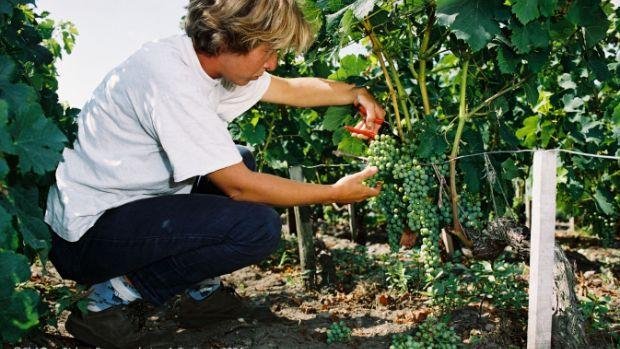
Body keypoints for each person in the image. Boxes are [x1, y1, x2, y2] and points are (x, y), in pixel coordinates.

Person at [45, 0, 385, 347]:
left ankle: (198, 295)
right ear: (226, 40)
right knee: (258, 227)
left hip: (129, 213)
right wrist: (334, 193)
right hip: (87, 238)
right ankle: (107, 303)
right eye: (267, 51)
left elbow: (290, 89)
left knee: (241, 157)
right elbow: (240, 188)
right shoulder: (169, 79)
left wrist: (355, 93)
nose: (272, 63)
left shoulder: (210, 65)